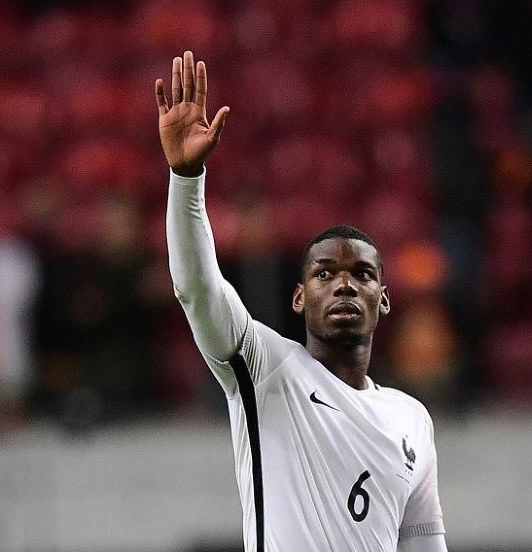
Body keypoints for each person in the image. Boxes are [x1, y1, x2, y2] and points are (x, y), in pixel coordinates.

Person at [156, 51, 447, 552]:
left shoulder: (411, 419)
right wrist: (187, 180)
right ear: (298, 298)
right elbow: (196, 289)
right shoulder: (268, 371)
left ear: (385, 300)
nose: (344, 284)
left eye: (362, 274)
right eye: (324, 273)